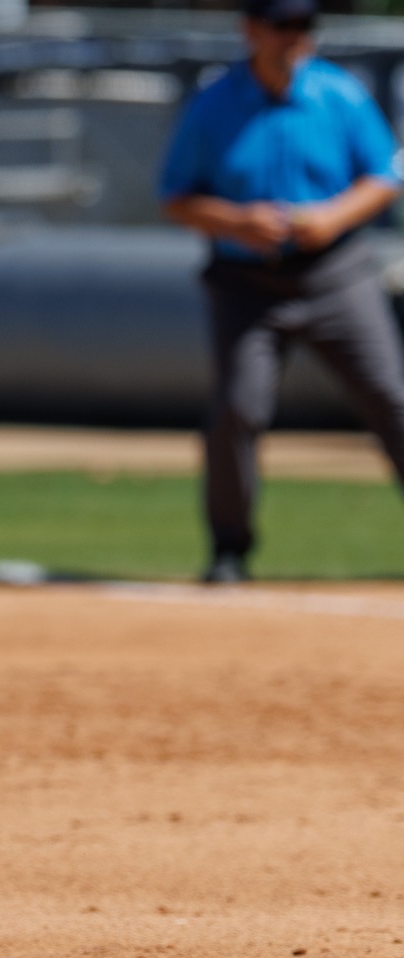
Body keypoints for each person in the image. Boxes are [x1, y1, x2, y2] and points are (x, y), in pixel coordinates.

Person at [159, 0, 404, 584]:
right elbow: (176, 196)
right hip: (247, 283)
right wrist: (236, 222)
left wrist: (333, 216)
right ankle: (229, 551)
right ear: (251, 31)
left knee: (394, 399)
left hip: (336, 273)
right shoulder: (215, 105)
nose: (296, 37)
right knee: (238, 411)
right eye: (283, 26)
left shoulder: (338, 94)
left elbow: (387, 174)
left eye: (305, 26)